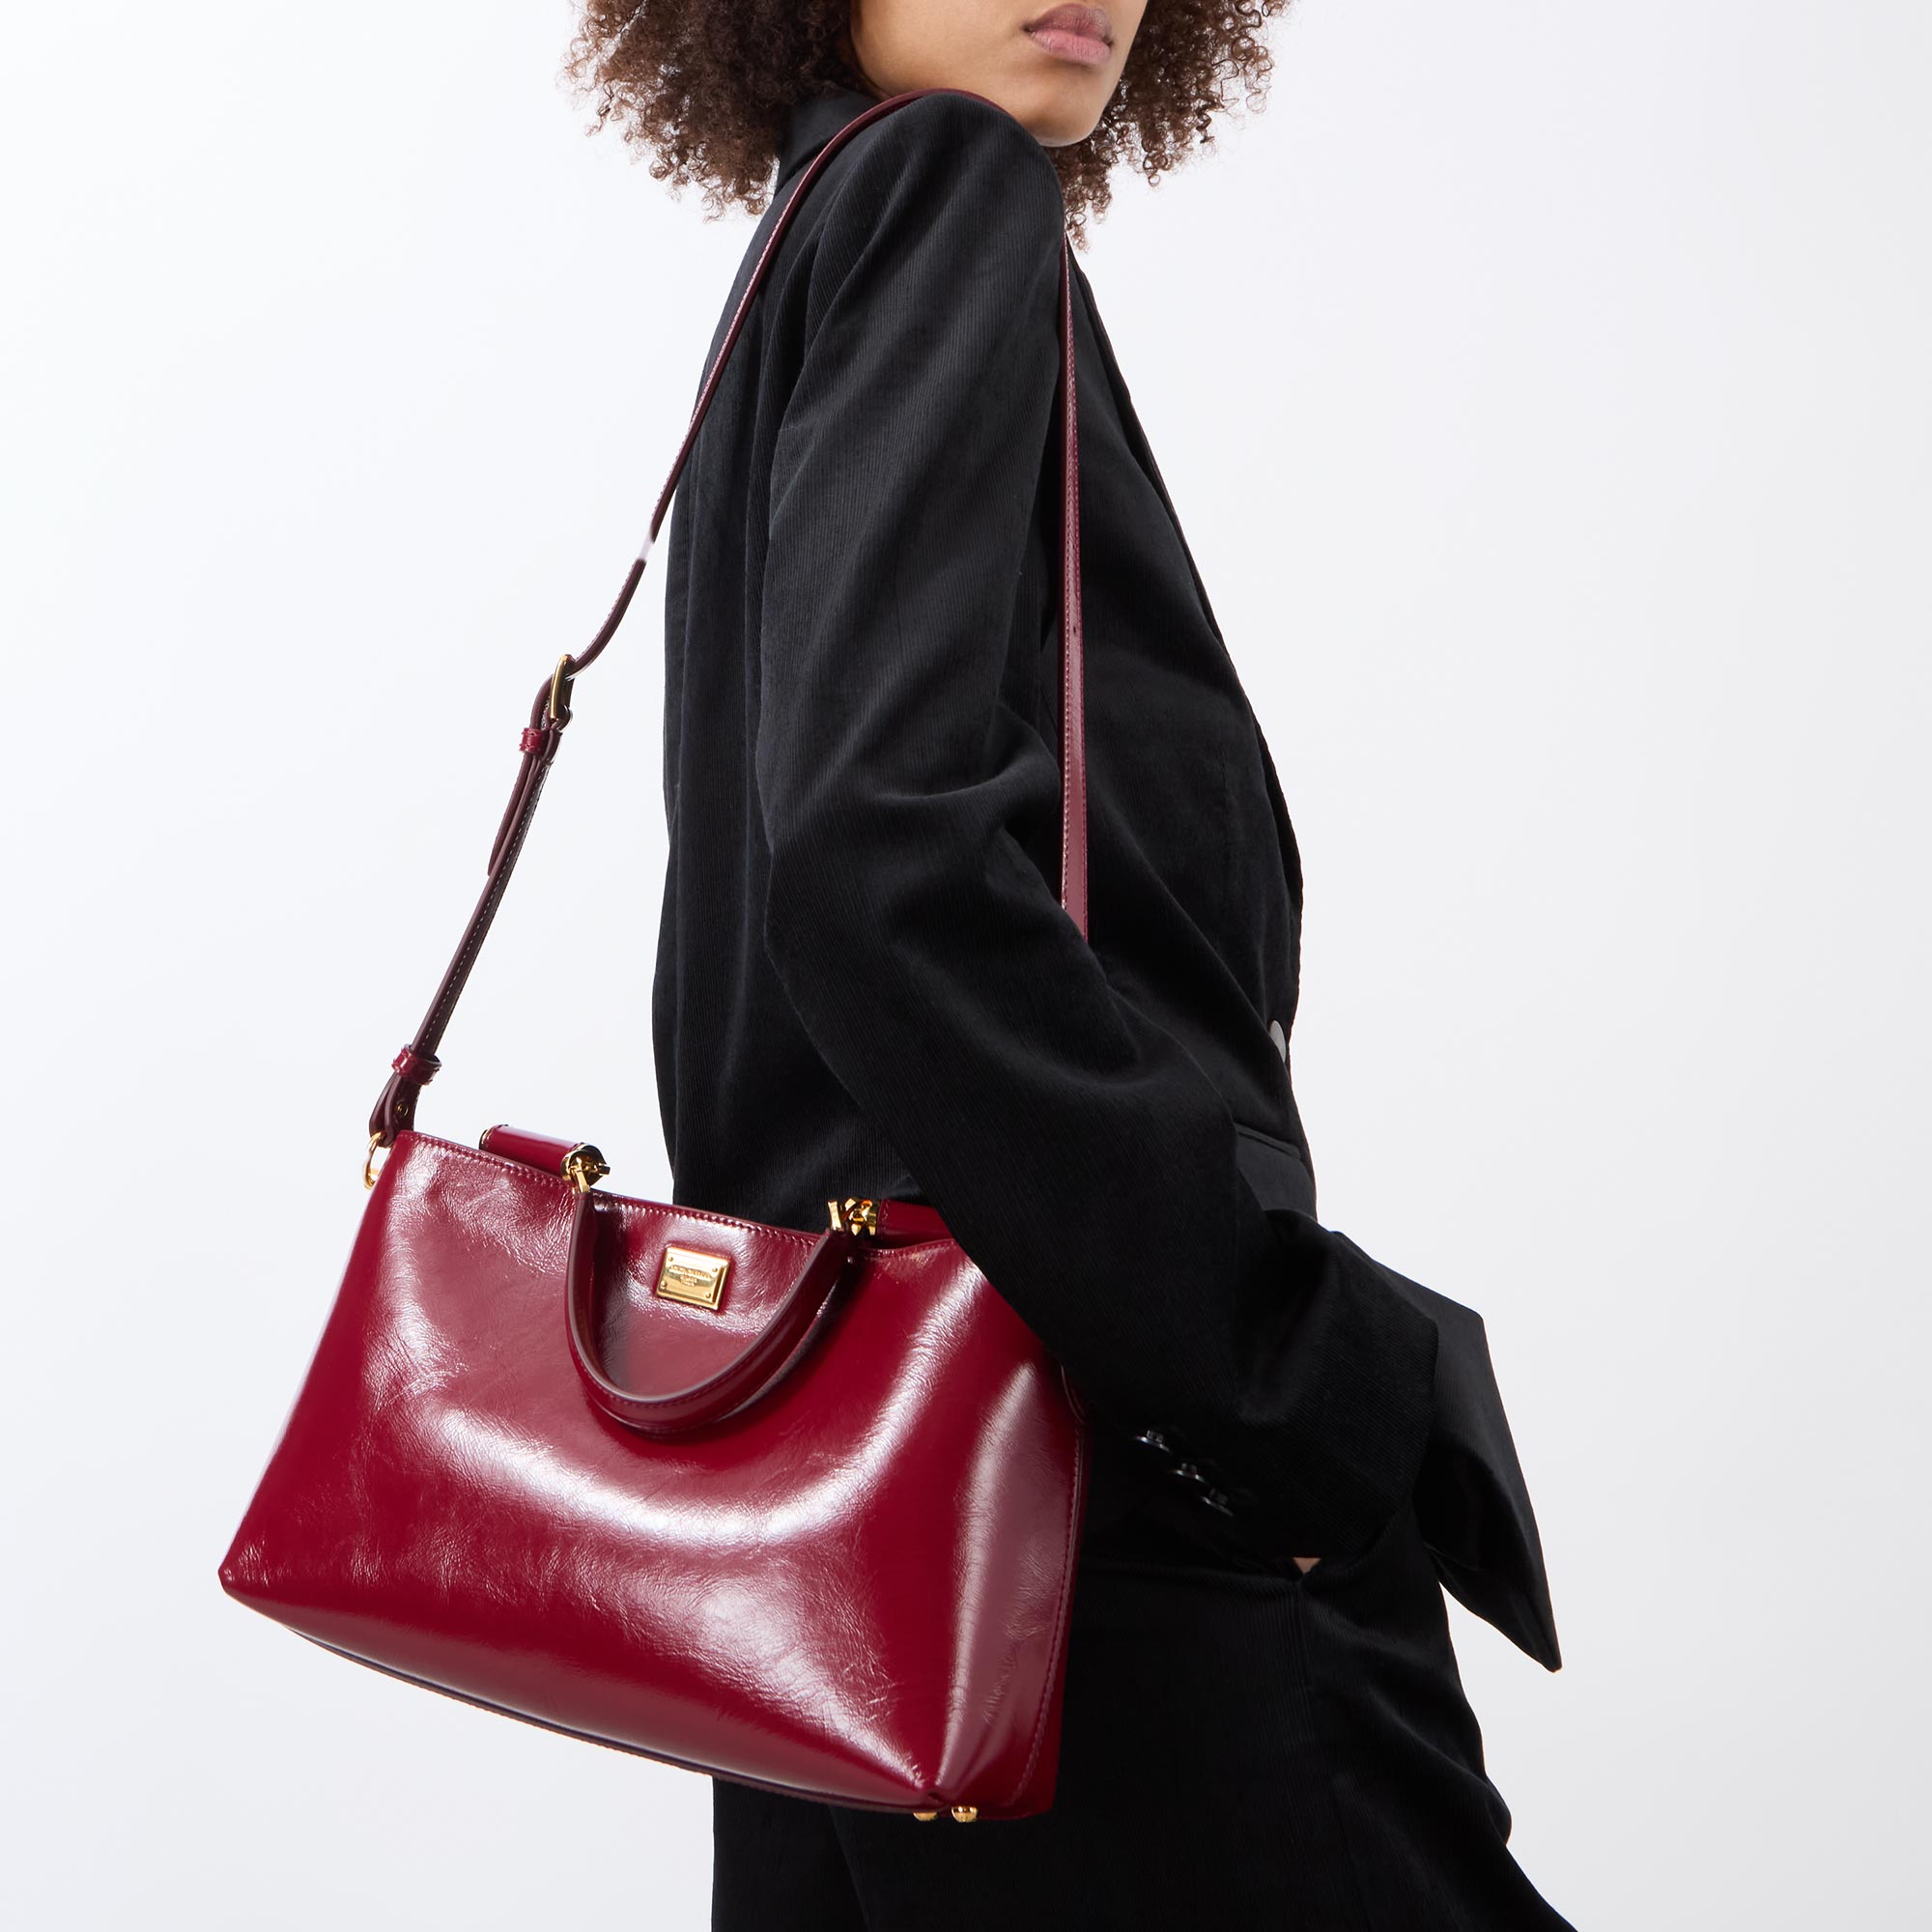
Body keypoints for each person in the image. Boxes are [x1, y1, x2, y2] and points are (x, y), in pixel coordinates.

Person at [567, 0, 1577, 1924]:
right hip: (1088, 1505)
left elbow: (809, 889)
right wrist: (1275, 1375)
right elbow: (870, 857)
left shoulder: (819, 230)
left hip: (836, 1540)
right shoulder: (945, 189)